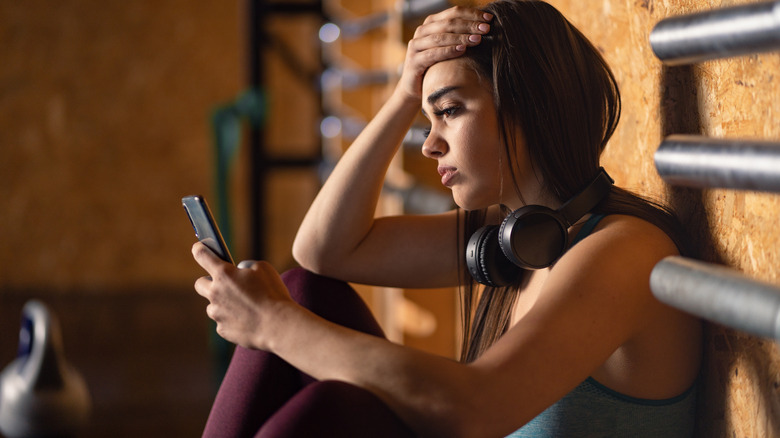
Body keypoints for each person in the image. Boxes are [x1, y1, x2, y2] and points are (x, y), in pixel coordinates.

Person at [192, 1, 702, 436]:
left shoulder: (625, 251)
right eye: (426, 119)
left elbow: (473, 409)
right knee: (303, 290)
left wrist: (272, 325)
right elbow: (324, 252)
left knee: (325, 408)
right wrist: (404, 94)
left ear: (527, 105)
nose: (431, 145)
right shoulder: (508, 242)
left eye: (451, 112)